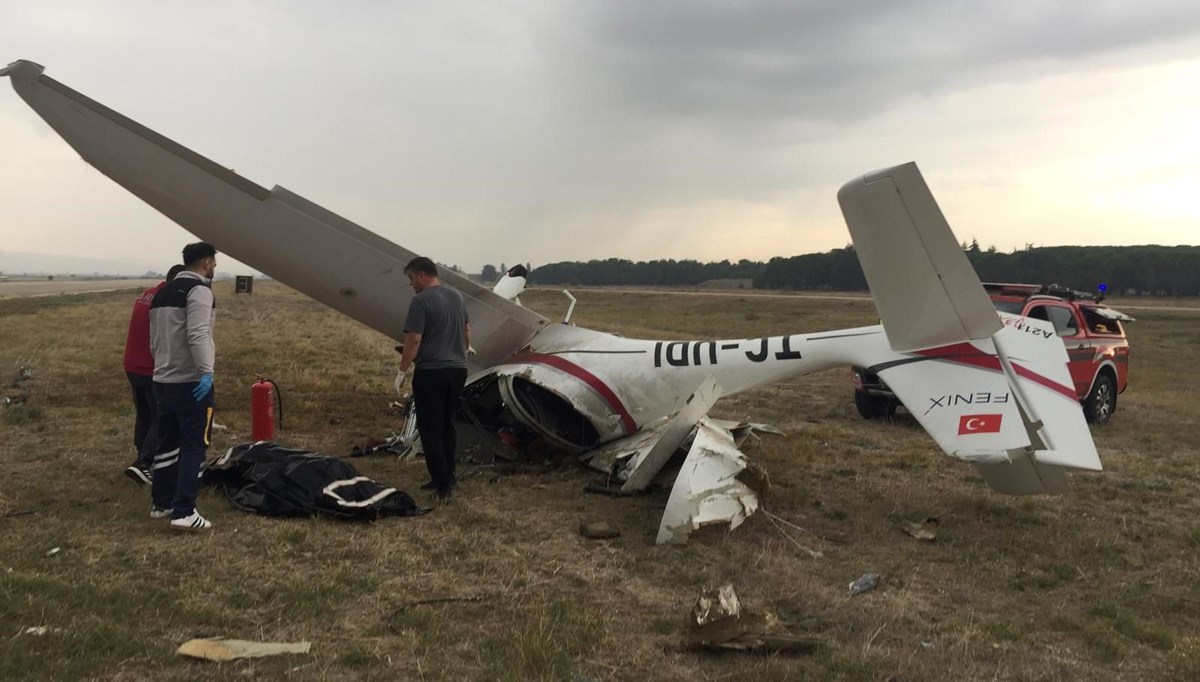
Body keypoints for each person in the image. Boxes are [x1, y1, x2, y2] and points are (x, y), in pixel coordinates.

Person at [148, 242, 218, 532]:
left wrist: (161, 366)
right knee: (194, 445)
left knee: (166, 442)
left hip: (162, 379)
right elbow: (199, 333)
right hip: (190, 382)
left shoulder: (161, 293)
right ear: (206, 263)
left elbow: (155, 339)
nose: (214, 267)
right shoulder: (200, 291)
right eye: (214, 262)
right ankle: (184, 511)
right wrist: (206, 372)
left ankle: (161, 504)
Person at [395, 256, 470, 503]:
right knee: (447, 425)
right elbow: (467, 331)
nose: (410, 284)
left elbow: (413, 339)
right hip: (458, 370)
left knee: (430, 429)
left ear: (421, 276)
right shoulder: (457, 297)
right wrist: (461, 351)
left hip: (431, 372)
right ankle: (449, 475)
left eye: (410, 278)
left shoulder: (420, 300)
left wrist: (402, 371)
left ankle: (442, 486)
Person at [123, 264, 185, 485]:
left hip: (132, 364)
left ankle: (141, 458)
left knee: (144, 415)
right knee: (161, 417)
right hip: (152, 367)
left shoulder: (146, 295)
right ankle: (144, 463)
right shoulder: (167, 299)